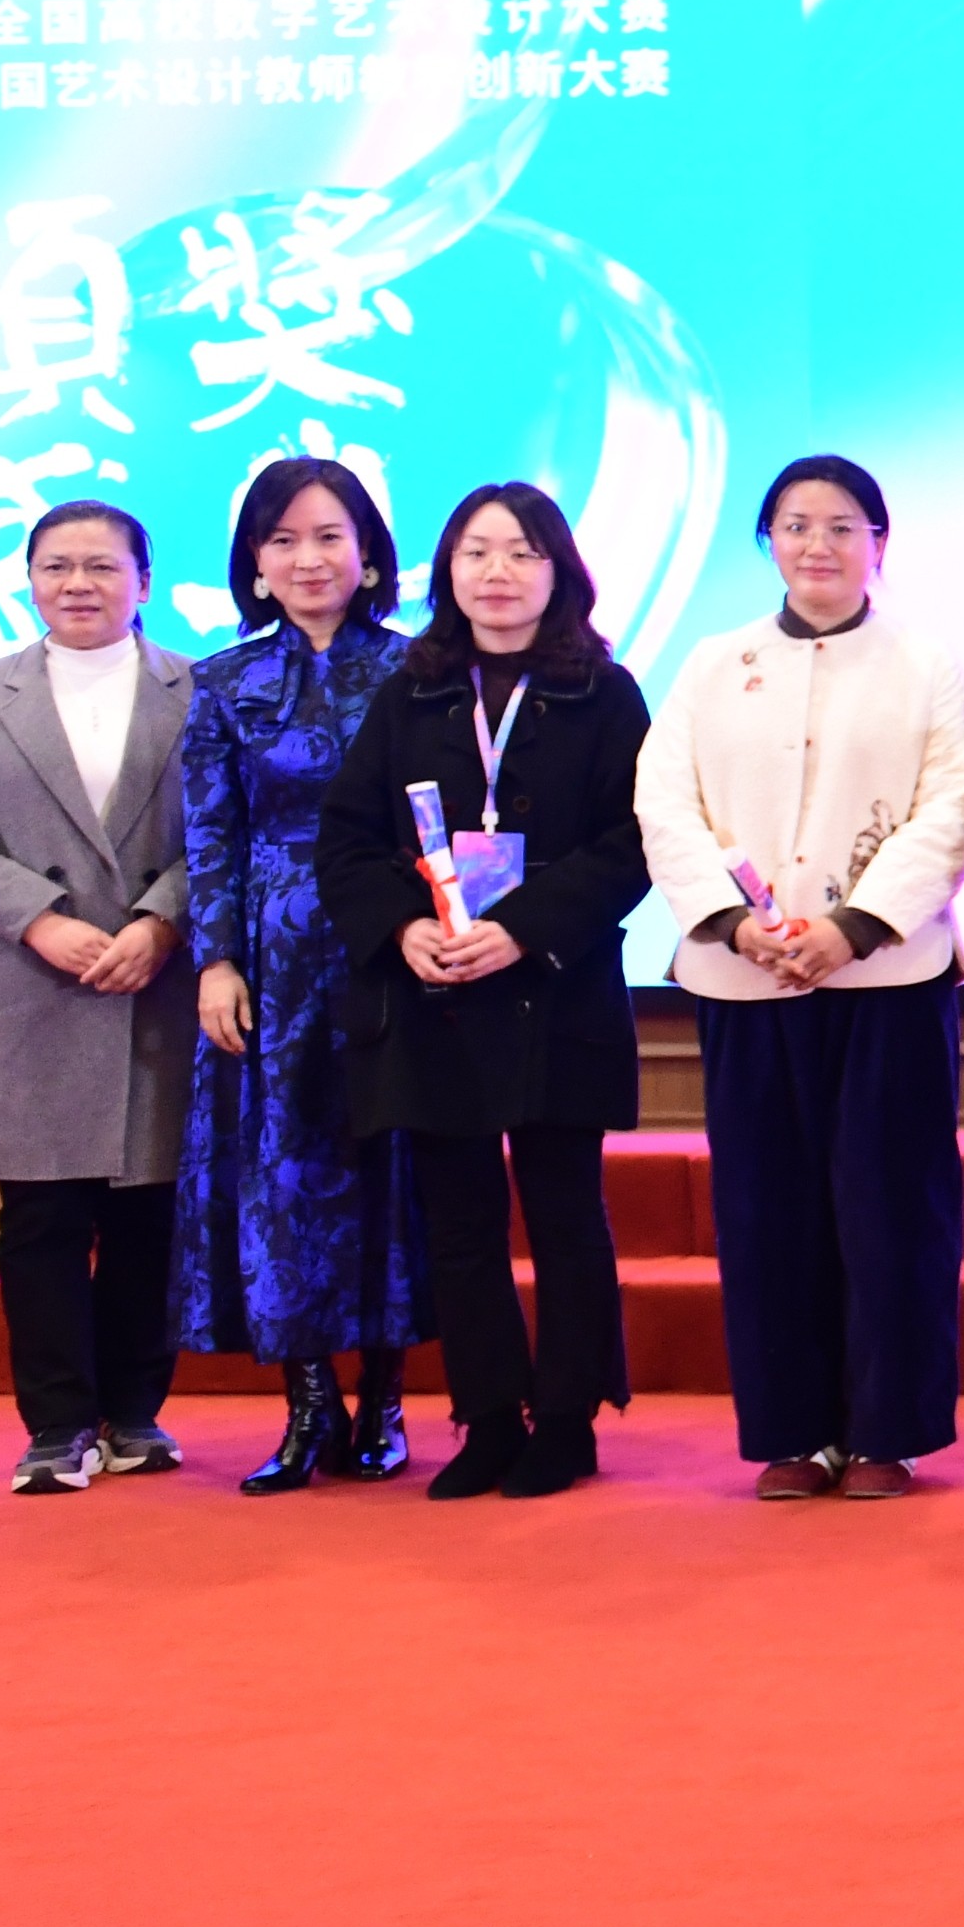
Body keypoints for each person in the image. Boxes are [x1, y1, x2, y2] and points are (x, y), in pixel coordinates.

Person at [639, 455, 964, 1504]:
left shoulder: (924, 663)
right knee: (765, 1212)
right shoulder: (714, 662)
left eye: (843, 526)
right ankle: (793, 1433)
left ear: (880, 542)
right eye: (796, 525)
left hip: (888, 978)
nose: (819, 545)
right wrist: (733, 923)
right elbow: (665, 803)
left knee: (893, 1210)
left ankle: (888, 1432)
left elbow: (950, 808)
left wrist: (853, 929)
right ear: (768, 542)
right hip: (747, 982)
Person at [319, 480, 652, 1499]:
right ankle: (489, 1417)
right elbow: (347, 839)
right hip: (438, 993)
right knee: (459, 1223)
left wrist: (522, 931)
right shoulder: (410, 693)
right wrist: (403, 926)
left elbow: (632, 845)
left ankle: (568, 1420)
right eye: (474, 552)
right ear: (447, 573)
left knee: (565, 1214)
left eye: (520, 552)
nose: (496, 573)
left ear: (559, 571)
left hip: (555, 986)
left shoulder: (605, 693)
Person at [0, 498, 195, 1495]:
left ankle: (135, 1413)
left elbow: (229, 826)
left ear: (143, 583)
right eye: (56, 566)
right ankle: (57, 1427)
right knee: (41, 1219)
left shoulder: (197, 690)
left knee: (147, 1216)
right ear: (29, 581)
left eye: (102, 566)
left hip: (155, 984)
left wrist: (161, 922)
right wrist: (40, 919)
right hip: (27, 983)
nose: (79, 584)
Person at [175, 454, 426, 1492]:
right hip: (272, 963)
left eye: (329, 537)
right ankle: (309, 1402)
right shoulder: (220, 683)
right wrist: (217, 960)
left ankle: (386, 1402)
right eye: (282, 541)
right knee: (280, 1175)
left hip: (397, 947)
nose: (307, 559)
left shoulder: (422, 669)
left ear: (368, 555)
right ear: (254, 563)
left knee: (390, 1165)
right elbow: (210, 835)